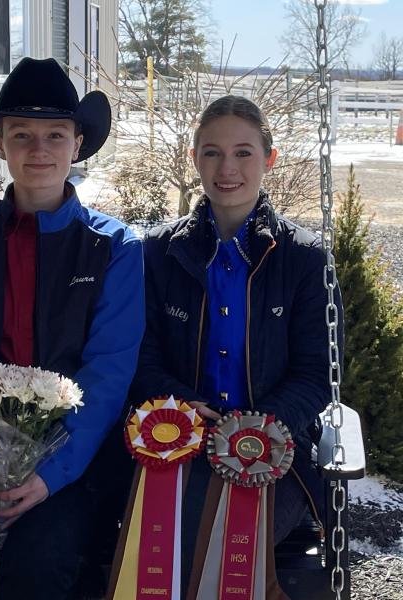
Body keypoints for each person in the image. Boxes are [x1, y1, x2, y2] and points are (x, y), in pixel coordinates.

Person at [0, 57, 146, 599]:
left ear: (78, 144)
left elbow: (109, 370)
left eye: (55, 134)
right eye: (21, 134)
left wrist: (52, 474)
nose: (38, 149)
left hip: (75, 461)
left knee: (39, 567)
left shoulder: (114, 248)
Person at [132, 94, 343, 594]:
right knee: (170, 531)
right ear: (194, 158)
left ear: (268, 159)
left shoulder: (306, 260)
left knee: (213, 536)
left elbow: (318, 374)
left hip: (276, 452)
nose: (227, 168)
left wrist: (259, 426)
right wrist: (180, 405)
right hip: (174, 444)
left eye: (244, 152)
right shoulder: (158, 253)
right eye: (211, 152)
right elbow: (140, 358)